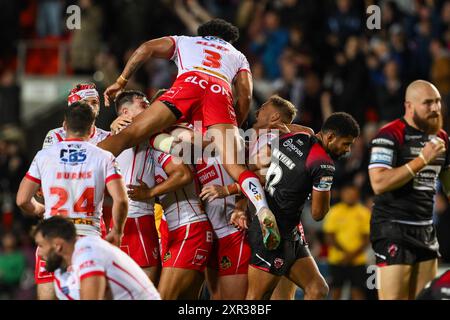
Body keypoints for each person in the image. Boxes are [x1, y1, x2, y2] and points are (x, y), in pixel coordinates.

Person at [99, 18, 281, 251]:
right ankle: (263, 207)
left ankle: (82, 169)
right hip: (219, 93)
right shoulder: (237, 55)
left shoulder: (186, 41)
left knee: (129, 135)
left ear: (203, 33)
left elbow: (146, 49)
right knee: (237, 168)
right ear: (227, 39)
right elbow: (245, 96)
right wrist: (231, 125)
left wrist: (120, 81)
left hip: (189, 85)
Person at [16, 102, 128, 300]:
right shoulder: (104, 157)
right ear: (92, 127)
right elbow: (121, 199)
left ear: (64, 125)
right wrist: (117, 231)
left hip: (52, 236)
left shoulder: (44, 156)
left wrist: (40, 209)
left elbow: (22, 200)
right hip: (88, 238)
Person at [245, 112, 360, 300]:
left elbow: (259, 160)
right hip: (273, 232)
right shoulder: (323, 165)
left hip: (290, 231)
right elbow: (318, 213)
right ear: (330, 137)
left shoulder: (294, 136)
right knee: (257, 298)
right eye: (346, 143)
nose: (347, 150)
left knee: (317, 289)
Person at [368, 80, 449, 300]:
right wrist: (422, 159)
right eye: (428, 103)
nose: (435, 108)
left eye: (438, 102)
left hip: (426, 229)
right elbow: (379, 183)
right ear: (409, 106)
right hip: (393, 228)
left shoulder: (441, 138)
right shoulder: (389, 135)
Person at [33, 216, 160, 300]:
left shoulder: (88, 251)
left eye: (41, 245)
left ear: (58, 246)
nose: (39, 253)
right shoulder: (62, 272)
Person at [112, 90, 161, 284]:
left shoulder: (117, 136)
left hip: (135, 218)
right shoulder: (129, 133)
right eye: (143, 104)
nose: (149, 109)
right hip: (137, 218)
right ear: (125, 112)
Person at [323, 184, 371, 300]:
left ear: (357, 195)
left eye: (352, 194)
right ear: (342, 195)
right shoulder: (334, 211)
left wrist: (351, 255)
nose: (350, 196)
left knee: (358, 291)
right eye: (347, 193)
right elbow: (329, 236)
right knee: (336, 291)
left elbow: (367, 238)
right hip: (337, 259)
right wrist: (346, 254)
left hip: (358, 261)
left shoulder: (364, 213)